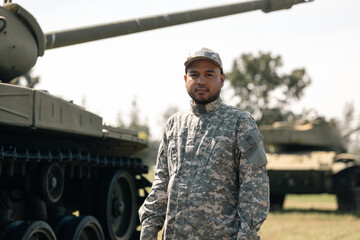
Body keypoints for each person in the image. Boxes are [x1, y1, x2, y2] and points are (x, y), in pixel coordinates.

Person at [139, 47, 269, 240]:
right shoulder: (174, 125)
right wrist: (148, 232)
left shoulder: (240, 123)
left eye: (209, 74)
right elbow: (161, 184)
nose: (201, 81)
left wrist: (246, 236)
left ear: (221, 79)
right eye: (194, 74)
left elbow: (254, 187)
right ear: (185, 80)